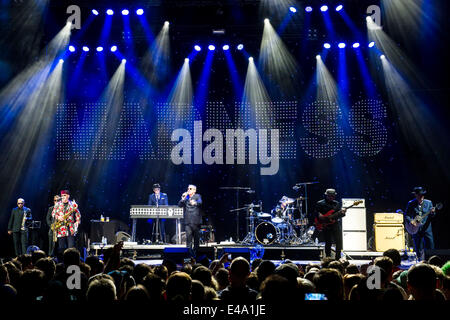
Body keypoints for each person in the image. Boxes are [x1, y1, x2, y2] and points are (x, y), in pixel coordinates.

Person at [405, 187, 435, 261]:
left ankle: (432, 261)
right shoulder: (411, 203)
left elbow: (432, 216)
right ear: (415, 195)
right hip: (416, 229)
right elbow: (407, 215)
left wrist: (432, 213)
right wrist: (411, 221)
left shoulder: (429, 203)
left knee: (431, 246)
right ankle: (420, 262)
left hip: (427, 228)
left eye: (422, 195)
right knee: (418, 247)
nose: (421, 197)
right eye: (419, 195)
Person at [315, 189, 346, 259]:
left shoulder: (337, 203)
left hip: (335, 224)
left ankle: (338, 257)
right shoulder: (320, 203)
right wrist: (321, 217)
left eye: (333, 196)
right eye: (330, 196)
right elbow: (317, 214)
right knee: (328, 242)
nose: (332, 197)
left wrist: (343, 213)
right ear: (326, 195)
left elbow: (340, 215)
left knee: (339, 241)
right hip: (325, 225)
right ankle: (328, 258)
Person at [51, 190, 81, 255]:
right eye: (62, 196)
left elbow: (78, 214)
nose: (63, 197)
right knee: (61, 247)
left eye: (64, 195)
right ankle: (62, 262)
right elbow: (53, 213)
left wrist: (77, 222)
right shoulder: (57, 204)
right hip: (61, 227)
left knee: (71, 246)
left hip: (70, 227)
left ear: (68, 196)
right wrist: (58, 217)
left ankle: (71, 261)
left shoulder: (73, 204)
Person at [178, 184, 202, 257]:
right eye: (188, 188)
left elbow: (200, 202)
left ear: (194, 190)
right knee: (188, 241)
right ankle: (188, 257)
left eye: (190, 189)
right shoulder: (186, 198)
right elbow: (179, 205)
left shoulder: (197, 196)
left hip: (196, 222)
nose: (188, 190)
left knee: (196, 241)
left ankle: (197, 257)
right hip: (188, 222)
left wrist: (195, 203)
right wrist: (182, 198)